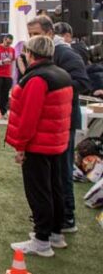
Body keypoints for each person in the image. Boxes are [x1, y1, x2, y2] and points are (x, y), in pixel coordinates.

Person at [6, 36, 72, 256]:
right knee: (54, 187)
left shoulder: (37, 78)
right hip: (55, 141)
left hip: (39, 144)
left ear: (30, 53)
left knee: (39, 191)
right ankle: (54, 233)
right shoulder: (61, 74)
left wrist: (21, 146)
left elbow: (29, 116)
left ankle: (42, 239)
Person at [26, 16, 91, 233]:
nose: (32, 38)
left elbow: (82, 82)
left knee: (62, 171)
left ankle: (67, 217)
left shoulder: (65, 53)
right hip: (48, 122)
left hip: (63, 121)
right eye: (30, 34)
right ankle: (53, 216)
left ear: (49, 33)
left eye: (36, 34)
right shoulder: (41, 54)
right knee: (48, 174)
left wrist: (50, 86)